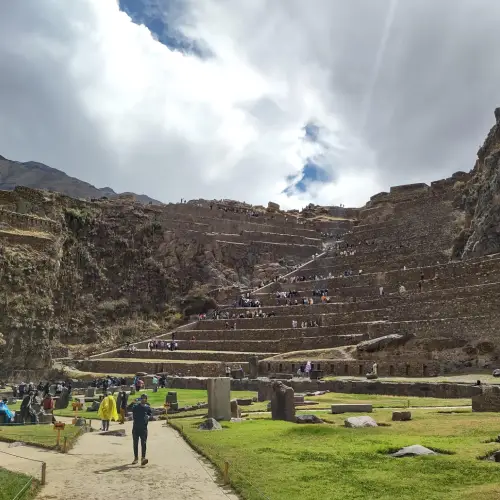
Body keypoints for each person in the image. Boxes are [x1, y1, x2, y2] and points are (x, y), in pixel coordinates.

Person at [132, 394, 152, 466]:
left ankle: (143, 458)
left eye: (145, 398)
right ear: (140, 399)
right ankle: (136, 458)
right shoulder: (136, 407)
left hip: (143, 428)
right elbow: (129, 409)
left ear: (146, 399)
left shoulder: (147, 407)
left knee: (143, 443)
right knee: (135, 443)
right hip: (135, 427)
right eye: (142, 398)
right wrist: (133, 403)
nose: (143, 399)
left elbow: (150, 414)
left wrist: (148, 416)